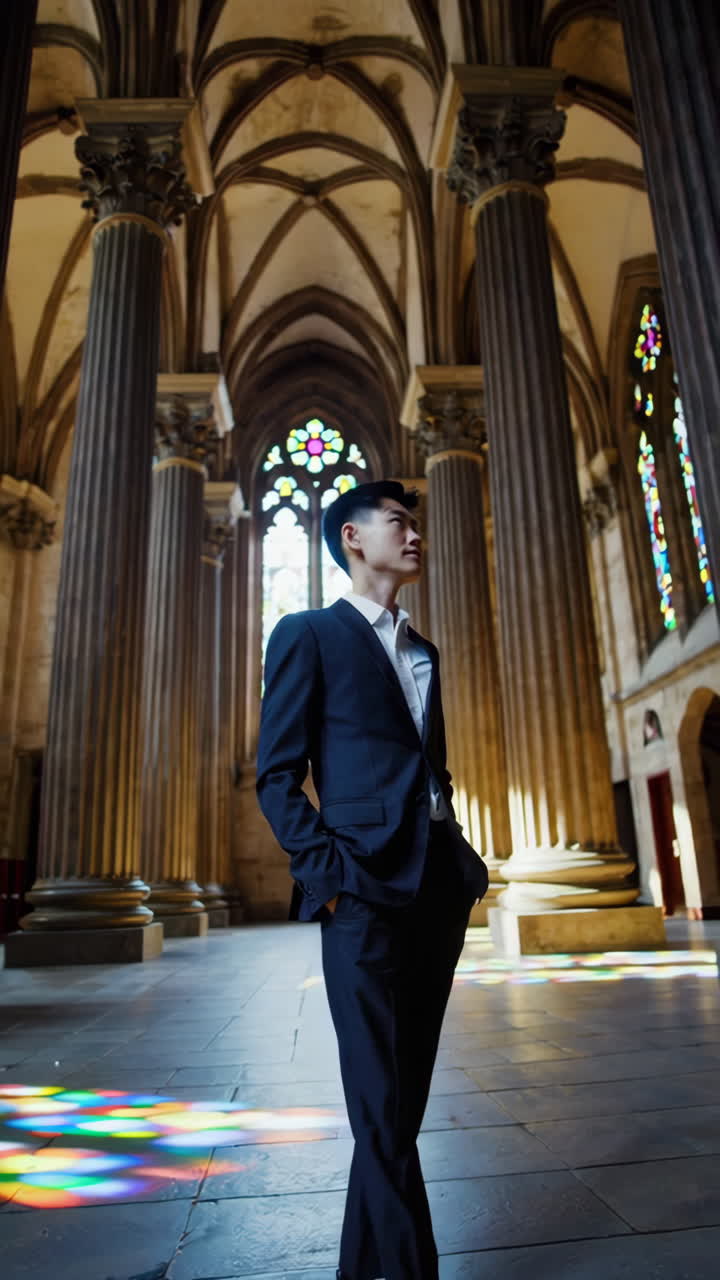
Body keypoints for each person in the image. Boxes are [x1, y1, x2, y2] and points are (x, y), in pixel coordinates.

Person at [256, 479, 489, 1280]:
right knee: (380, 1106)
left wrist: (459, 856)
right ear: (354, 539)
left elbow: (430, 766)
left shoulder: (425, 650)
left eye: (416, 523)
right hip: (358, 891)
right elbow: (277, 775)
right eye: (398, 522)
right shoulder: (308, 633)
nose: (414, 534)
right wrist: (329, 879)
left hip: (435, 888)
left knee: (397, 1108)